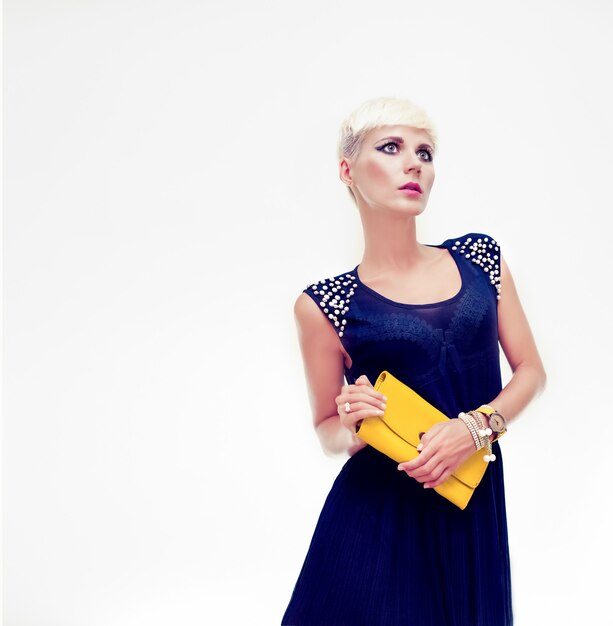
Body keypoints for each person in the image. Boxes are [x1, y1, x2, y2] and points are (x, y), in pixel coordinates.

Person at [280, 96, 547, 626]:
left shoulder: (481, 261)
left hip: (470, 506)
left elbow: (532, 373)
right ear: (347, 170)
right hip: (377, 520)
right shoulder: (326, 305)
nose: (414, 164)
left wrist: (476, 426)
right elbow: (327, 429)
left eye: (425, 153)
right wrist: (353, 425)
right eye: (392, 147)